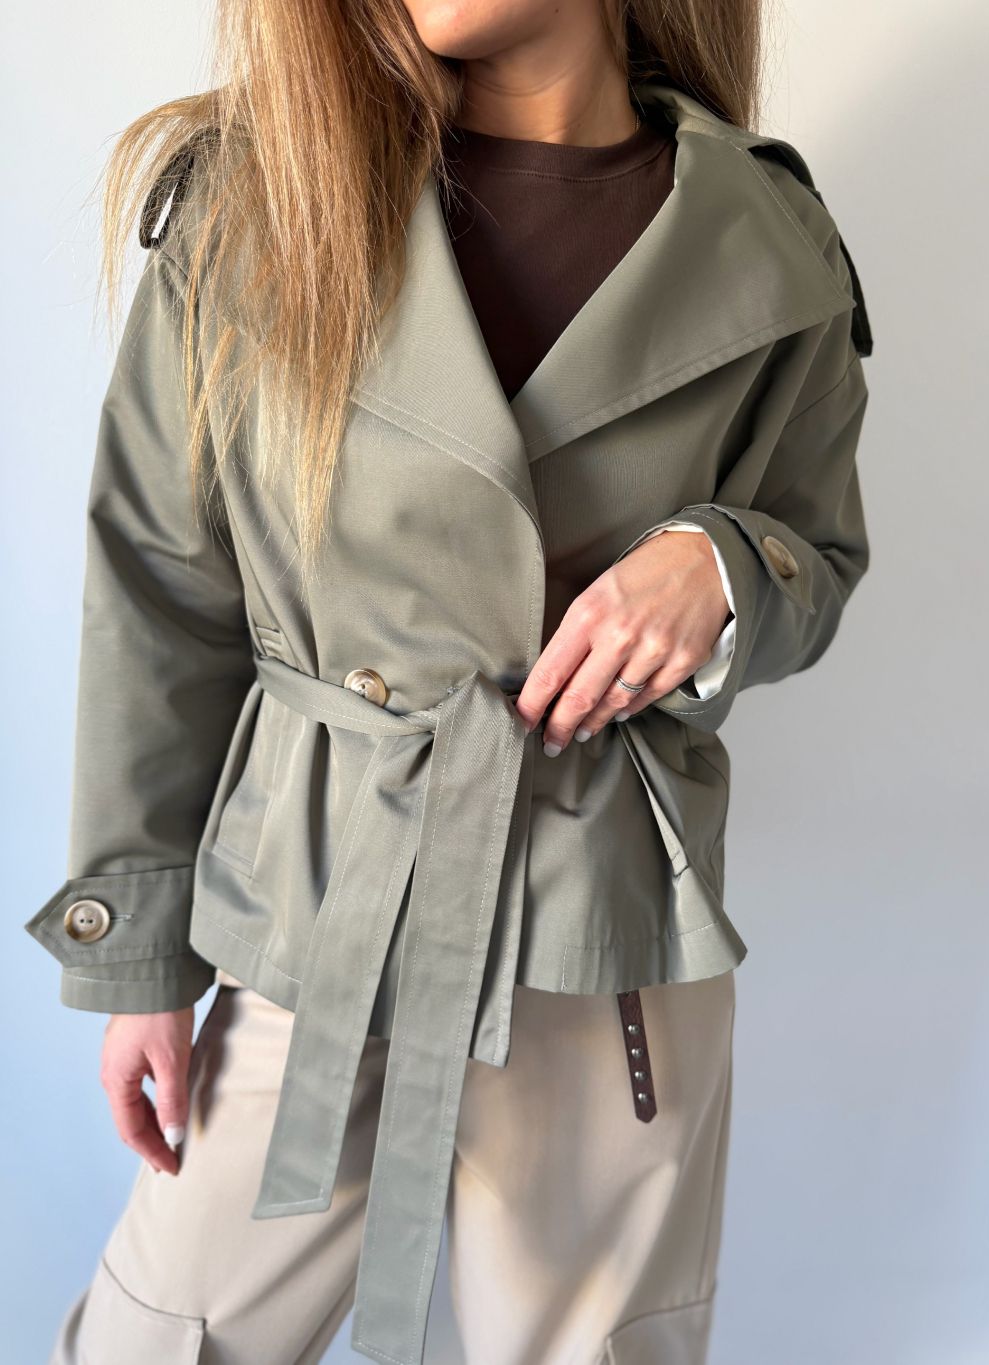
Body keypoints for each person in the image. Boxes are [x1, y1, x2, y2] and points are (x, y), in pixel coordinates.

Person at [25, 1, 873, 1362]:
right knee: (158, 1337)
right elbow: (160, 590)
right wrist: (143, 956)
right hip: (316, 902)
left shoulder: (765, 238)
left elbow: (814, 554)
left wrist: (721, 568)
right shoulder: (262, 200)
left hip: (602, 934)